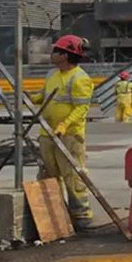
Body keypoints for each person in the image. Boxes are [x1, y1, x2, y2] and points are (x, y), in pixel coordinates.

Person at [31, 35, 95, 230]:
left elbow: (81, 109)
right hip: (47, 132)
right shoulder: (52, 74)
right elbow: (43, 95)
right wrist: (32, 98)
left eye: (56, 51)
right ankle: (58, 214)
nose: (52, 54)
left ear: (65, 56)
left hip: (69, 135)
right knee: (48, 174)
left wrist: (64, 125)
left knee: (72, 175)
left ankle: (82, 214)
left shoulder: (80, 79)